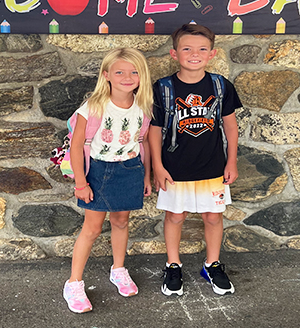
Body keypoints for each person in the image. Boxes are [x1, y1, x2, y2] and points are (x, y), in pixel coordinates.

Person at [149, 24, 242, 297]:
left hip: (212, 165)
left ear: (212, 54)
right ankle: (173, 264)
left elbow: (231, 127)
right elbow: (154, 130)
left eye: (202, 49)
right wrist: (157, 165)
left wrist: (232, 162)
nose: (194, 54)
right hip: (174, 167)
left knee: (213, 216)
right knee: (175, 216)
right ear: (174, 53)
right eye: (186, 48)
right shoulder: (163, 88)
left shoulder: (220, 86)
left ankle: (211, 264)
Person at [63, 48, 153, 313]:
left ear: (142, 76)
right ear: (106, 75)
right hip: (99, 171)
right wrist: (81, 183)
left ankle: (118, 269)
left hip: (130, 169)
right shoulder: (92, 107)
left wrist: (145, 175)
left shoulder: (143, 107)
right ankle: (74, 283)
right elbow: (76, 146)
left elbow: (143, 141)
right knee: (91, 228)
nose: (128, 77)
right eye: (120, 72)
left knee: (121, 221)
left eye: (134, 71)